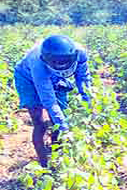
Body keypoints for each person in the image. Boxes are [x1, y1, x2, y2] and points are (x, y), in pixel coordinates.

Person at [13, 35, 90, 167]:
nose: (61, 64)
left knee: (58, 120)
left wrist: (88, 105)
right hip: (28, 78)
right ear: (46, 59)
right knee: (40, 122)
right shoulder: (37, 63)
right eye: (56, 62)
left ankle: (58, 157)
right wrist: (66, 129)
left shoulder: (80, 53)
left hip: (57, 78)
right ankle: (45, 165)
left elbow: (83, 79)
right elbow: (49, 101)